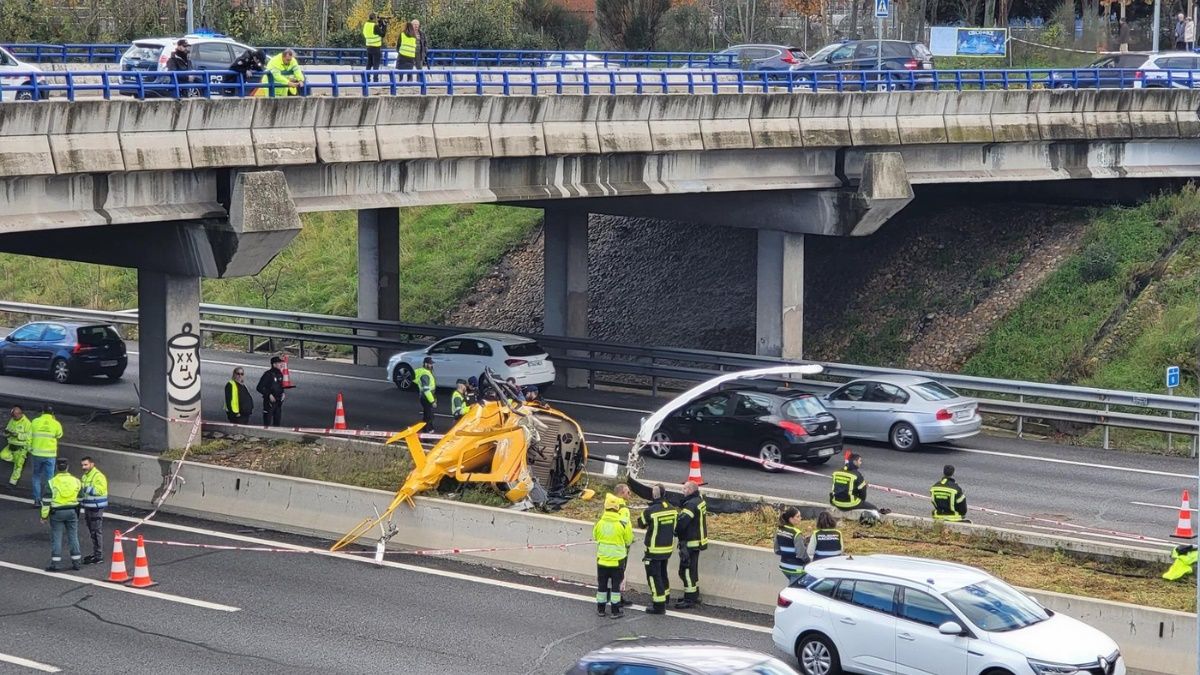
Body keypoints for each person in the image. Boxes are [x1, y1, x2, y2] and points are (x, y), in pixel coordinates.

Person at [637, 483, 677, 614]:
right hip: (667, 549)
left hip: (654, 550)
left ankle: (658, 605)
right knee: (663, 573)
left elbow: (641, 523)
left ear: (653, 495)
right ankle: (665, 598)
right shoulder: (672, 509)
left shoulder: (650, 511)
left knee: (654, 577)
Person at [593, 492, 633, 618]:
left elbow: (595, 536)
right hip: (617, 561)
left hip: (602, 560)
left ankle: (601, 609)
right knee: (615, 586)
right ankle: (615, 611)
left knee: (602, 585)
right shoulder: (622, 524)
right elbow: (628, 540)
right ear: (617, 508)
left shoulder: (600, 523)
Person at [42, 457, 82, 572]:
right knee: (73, 536)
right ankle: (76, 562)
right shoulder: (76, 481)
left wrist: (44, 516)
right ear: (68, 467)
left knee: (57, 537)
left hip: (57, 513)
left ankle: (55, 564)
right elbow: (81, 497)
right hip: (72, 511)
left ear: (56, 468)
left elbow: (46, 501)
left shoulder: (52, 482)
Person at [674, 480, 708, 609]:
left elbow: (682, 523)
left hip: (690, 543)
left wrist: (675, 530)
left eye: (684, 489)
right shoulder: (699, 501)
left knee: (686, 571)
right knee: (692, 570)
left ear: (690, 490)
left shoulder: (690, 505)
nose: (682, 492)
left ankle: (689, 599)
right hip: (697, 542)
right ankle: (693, 595)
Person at [829, 453, 889, 521]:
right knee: (874, 508)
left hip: (836, 502)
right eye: (860, 461)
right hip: (849, 504)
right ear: (855, 462)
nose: (861, 463)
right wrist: (861, 502)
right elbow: (863, 492)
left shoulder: (836, 472)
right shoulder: (857, 475)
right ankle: (878, 519)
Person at [29, 404, 62, 507]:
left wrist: (29, 448)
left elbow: (29, 436)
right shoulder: (56, 423)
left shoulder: (35, 421)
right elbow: (59, 435)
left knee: (36, 476)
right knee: (50, 478)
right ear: (52, 413)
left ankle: (37, 500)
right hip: (50, 455)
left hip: (36, 454)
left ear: (42, 412)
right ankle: (48, 500)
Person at [79, 456, 108, 565]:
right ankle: (96, 553)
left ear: (92, 464)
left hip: (96, 508)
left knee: (96, 532)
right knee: (92, 532)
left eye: (86, 464)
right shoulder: (85, 476)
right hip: (88, 507)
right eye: (82, 465)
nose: (83, 467)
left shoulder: (98, 476)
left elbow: (101, 490)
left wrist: (87, 489)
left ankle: (98, 555)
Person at [774, 506, 809, 582]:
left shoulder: (779, 530)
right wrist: (808, 561)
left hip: (784, 566)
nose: (800, 518)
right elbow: (801, 554)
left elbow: (776, 550)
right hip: (796, 569)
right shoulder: (796, 533)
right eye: (798, 516)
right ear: (791, 519)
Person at [2, 406, 31, 489]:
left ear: (20, 414)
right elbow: (8, 429)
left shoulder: (27, 423)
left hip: (21, 447)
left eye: (14, 416)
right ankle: (17, 460)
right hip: (11, 444)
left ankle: (12, 483)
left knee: (18, 467)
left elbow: (29, 436)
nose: (13, 418)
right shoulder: (12, 420)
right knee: (3, 455)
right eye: (12, 416)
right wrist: (7, 433)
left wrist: (18, 435)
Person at [257, 356, 286, 427]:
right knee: (267, 422)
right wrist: (269, 395)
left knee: (277, 422)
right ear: (274, 364)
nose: (281, 365)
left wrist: (283, 393)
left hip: (278, 402)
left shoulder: (280, 374)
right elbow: (259, 387)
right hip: (269, 403)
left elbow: (280, 386)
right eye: (279, 363)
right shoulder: (268, 374)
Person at [413, 357, 437, 432]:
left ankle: (427, 431)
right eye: (430, 364)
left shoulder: (423, 371)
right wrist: (432, 401)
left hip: (425, 397)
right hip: (426, 398)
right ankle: (427, 434)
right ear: (425, 364)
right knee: (429, 416)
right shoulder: (425, 375)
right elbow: (426, 390)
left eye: (432, 364)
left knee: (427, 415)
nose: (431, 365)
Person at [363, 13, 385, 81]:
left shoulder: (366, 25)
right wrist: (384, 26)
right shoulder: (374, 26)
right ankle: (375, 79)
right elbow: (382, 34)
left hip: (369, 46)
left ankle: (367, 78)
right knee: (376, 64)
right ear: (374, 18)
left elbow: (374, 32)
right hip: (376, 47)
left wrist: (379, 25)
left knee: (369, 63)